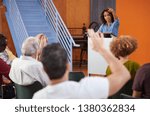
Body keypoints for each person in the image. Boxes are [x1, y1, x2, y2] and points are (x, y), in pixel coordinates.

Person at [33, 29, 130, 99]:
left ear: (43, 69)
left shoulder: (38, 98)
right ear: (68, 66)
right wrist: (101, 48)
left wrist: (39, 52)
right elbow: (123, 75)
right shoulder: (87, 88)